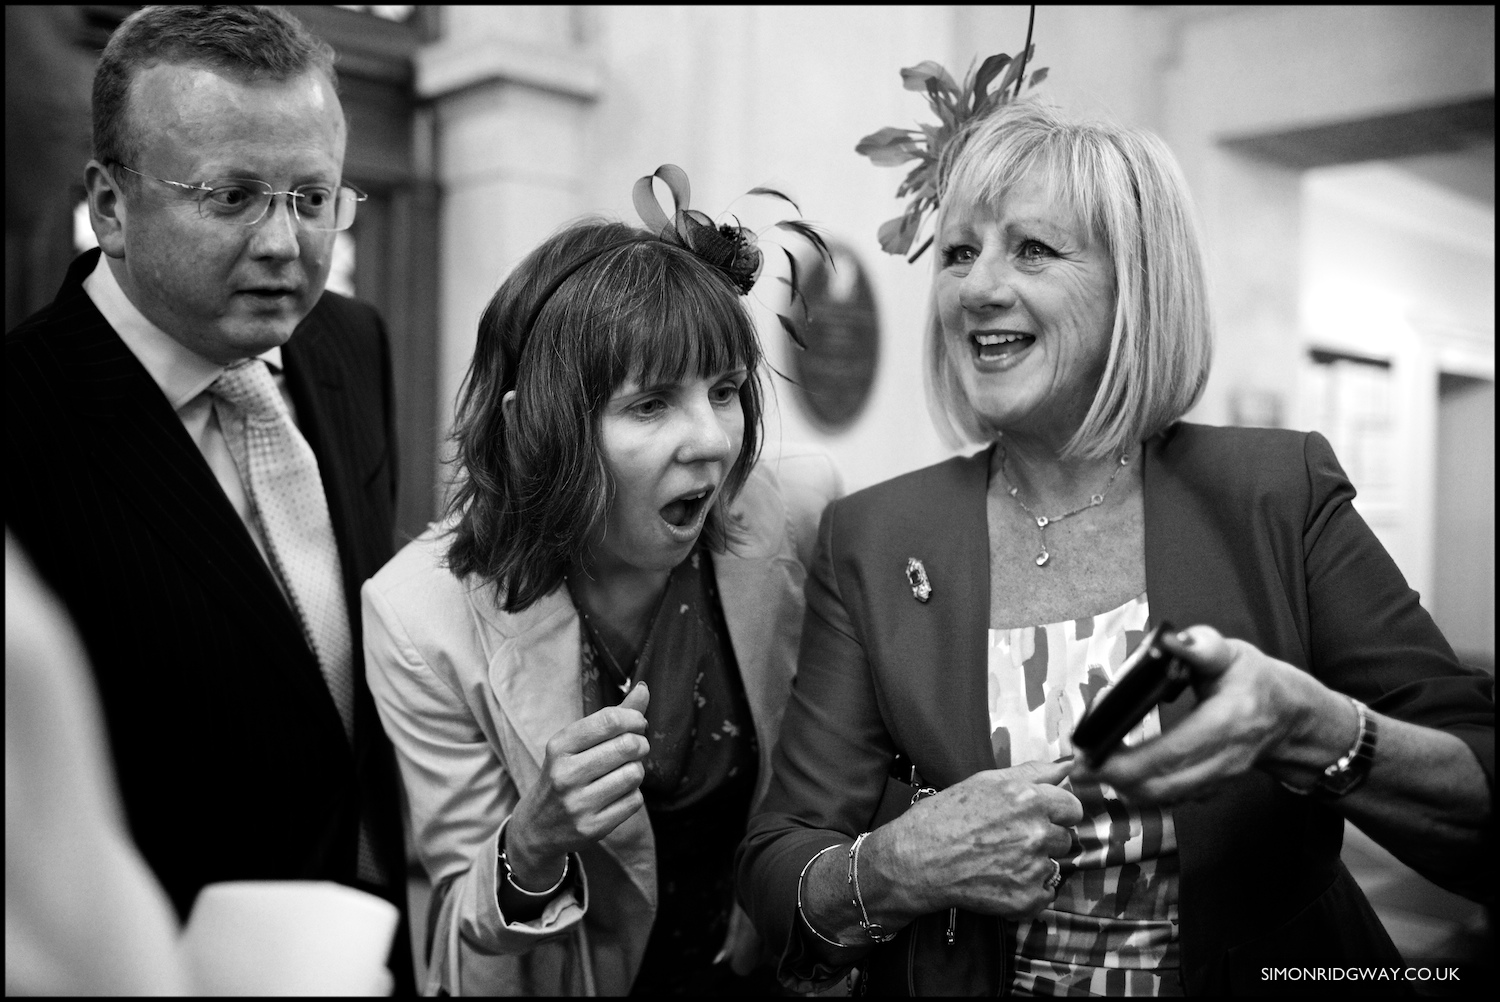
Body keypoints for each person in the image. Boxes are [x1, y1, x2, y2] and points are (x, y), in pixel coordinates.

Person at [737, 97, 1494, 996]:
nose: (978, 287)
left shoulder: (1274, 493)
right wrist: (894, 865)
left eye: (1033, 249)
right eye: (959, 253)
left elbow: (1476, 789)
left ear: (1134, 283)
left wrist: (1315, 730)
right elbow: (778, 856)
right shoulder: (875, 535)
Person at [4, 6, 412, 991]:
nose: (285, 243)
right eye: (233, 197)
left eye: (313, 199)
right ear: (110, 204)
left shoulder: (351, 348)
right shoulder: (22, 419)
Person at [361, 190, 842, 995]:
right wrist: (534, 841)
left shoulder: (797, 513)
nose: (714, 441)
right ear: (533, 431)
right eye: (651, 404)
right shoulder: (420, 617)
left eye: (724, 390)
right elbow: (458, 944)